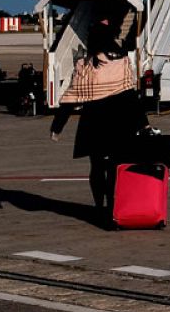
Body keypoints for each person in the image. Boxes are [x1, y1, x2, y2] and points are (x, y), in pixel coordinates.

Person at [49, 16, 147, 221]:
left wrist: (58, 126)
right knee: (115, 166)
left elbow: (71, 96)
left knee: (96, 167)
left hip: (92, 123)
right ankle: (114, 206)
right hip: (119, 123)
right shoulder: (121, 62)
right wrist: (143, 122)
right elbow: (131, 96)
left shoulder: (84, 65)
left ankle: (98, 206)